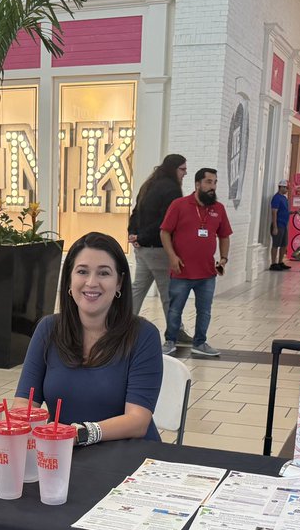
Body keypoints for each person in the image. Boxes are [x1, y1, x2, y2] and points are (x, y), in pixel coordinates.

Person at [15, 232, 162, 444]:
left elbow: (138, 421)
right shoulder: (48, 329)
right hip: (66, 455)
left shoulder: (143, 335)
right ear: (69, 280)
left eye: (104, 273)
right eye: (82, 271)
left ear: (119, 282)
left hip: (130, 458)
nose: (91, 282)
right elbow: (24, 405)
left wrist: (81, 434)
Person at [161, 168, 231, 358]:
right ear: (198, 184)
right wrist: (172, 256)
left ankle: (199, 343)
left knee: (205, 311)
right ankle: (170, 341)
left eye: (215, 182)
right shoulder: (179, 205)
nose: (212, 186)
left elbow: (224, 235)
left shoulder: (218, 209)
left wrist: (224, 259)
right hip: (181, 271)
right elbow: (165, 231)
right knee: (175, 309)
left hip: (207, 273)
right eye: (208, 182)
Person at [127, 154, 190, 344]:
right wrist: (142, 236)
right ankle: (175, 331)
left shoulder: (149, 184)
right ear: (173, 169)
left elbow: (136, 212)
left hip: (143, 248)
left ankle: (123, 324)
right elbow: (166, 223)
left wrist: (133, 234)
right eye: (182, 169)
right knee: (168, 293)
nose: (185, 173)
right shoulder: (172, 190)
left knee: (138, 288)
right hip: (158, 249)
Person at [269, 180, 291, 270]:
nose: (286, 190)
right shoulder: (276, 198)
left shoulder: (284, 198)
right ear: (281, 187)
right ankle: (273, 263)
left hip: (284, 225)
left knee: (284, 244)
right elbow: (274, 212)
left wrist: (293, 212)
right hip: (278, 225)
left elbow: (285, 211)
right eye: (285, 188)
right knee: (276, 244)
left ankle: (280, 262)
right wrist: (275, 227)